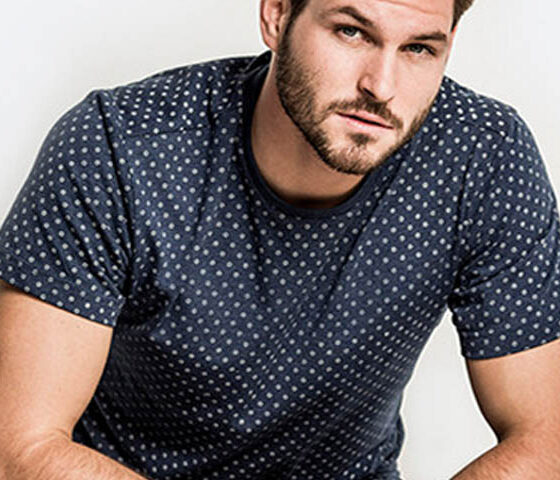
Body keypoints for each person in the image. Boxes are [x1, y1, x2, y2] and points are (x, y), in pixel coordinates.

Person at [1, 0, 559, 478]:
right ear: (276, 15)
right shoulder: (120, 147)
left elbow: (545, 435)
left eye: (418, 49)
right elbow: (22, 447)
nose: (381, 86)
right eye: (351, 32)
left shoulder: (483, 159)